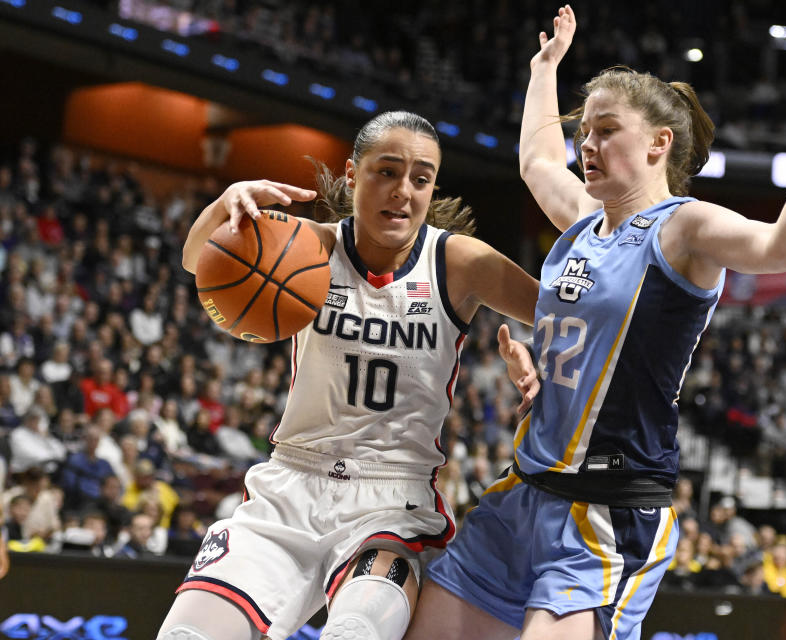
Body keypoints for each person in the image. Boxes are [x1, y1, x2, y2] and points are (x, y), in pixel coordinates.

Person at [406, 6, 786, 639]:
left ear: (659, 142)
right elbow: (538, 162)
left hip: (607, 512)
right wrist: (544, 70)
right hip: (523, 494)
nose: (587, 145)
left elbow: (779, 249)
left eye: (606, 130)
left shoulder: (684, 227)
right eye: (584, 131)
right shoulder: (581, 219)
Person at [156, 110, 539, 640]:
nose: (403, 191)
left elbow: (561, 315)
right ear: (353, 174)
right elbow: (198, 259)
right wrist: (228, 204)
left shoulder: (457, 262)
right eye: (387, 171)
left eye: (421, 178)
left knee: (354, 632)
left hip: (390, 501)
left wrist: (542, 366)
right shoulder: (308, 247)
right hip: (290, 484)